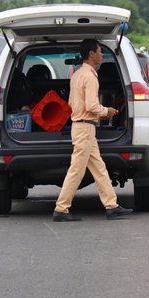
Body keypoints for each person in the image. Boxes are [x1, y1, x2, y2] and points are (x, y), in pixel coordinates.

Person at [53, 39, 133, 222]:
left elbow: (73, 103)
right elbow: (91, 105)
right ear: (91, 54)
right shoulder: (90, 77)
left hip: (81, 126)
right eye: (100, 51)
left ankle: (111, 206)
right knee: (77, 170)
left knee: (99, 168)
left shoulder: (77, 75)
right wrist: (106, 111)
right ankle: (61, 208)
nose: (102, 55)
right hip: (85, 127)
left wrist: (97, 112)